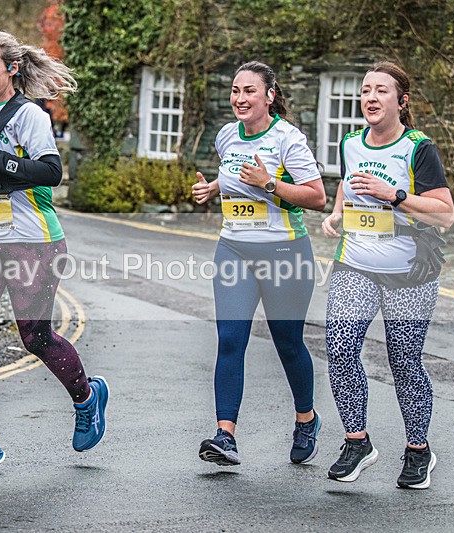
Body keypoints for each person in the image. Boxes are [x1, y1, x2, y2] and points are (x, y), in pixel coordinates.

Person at [0, 30, 108, 474]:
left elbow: (51, 172)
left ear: (11, 69)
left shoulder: (31, 115)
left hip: (33, 242)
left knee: (35, 337)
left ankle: (87, 397)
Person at [321, 61, 454, 489]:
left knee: (404, 361)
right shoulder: (350, 142)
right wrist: (338, 213)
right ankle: (356, 441)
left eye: (381, 91)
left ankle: (419, 450)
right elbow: (347, 181)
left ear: (402, 101)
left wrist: (395, 195)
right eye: (365, 91)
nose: (371, 98)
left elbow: (446, 214)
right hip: (355, 263)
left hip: (409, 272)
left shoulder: (418, 148)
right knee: (339, 348)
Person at [192, 61, 327, 467]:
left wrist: (269, 183)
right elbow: (236, 176)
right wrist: (212, 187)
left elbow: (317, 197)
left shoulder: (288, 139)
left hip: (283, 251)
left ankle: (307, 419)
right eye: (235, 91)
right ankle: (225, 436)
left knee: (287, 343)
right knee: (231, 340)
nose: (240, 98)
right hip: (233, 249)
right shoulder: (226, 136)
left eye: (249, 91)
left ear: (269, 96)